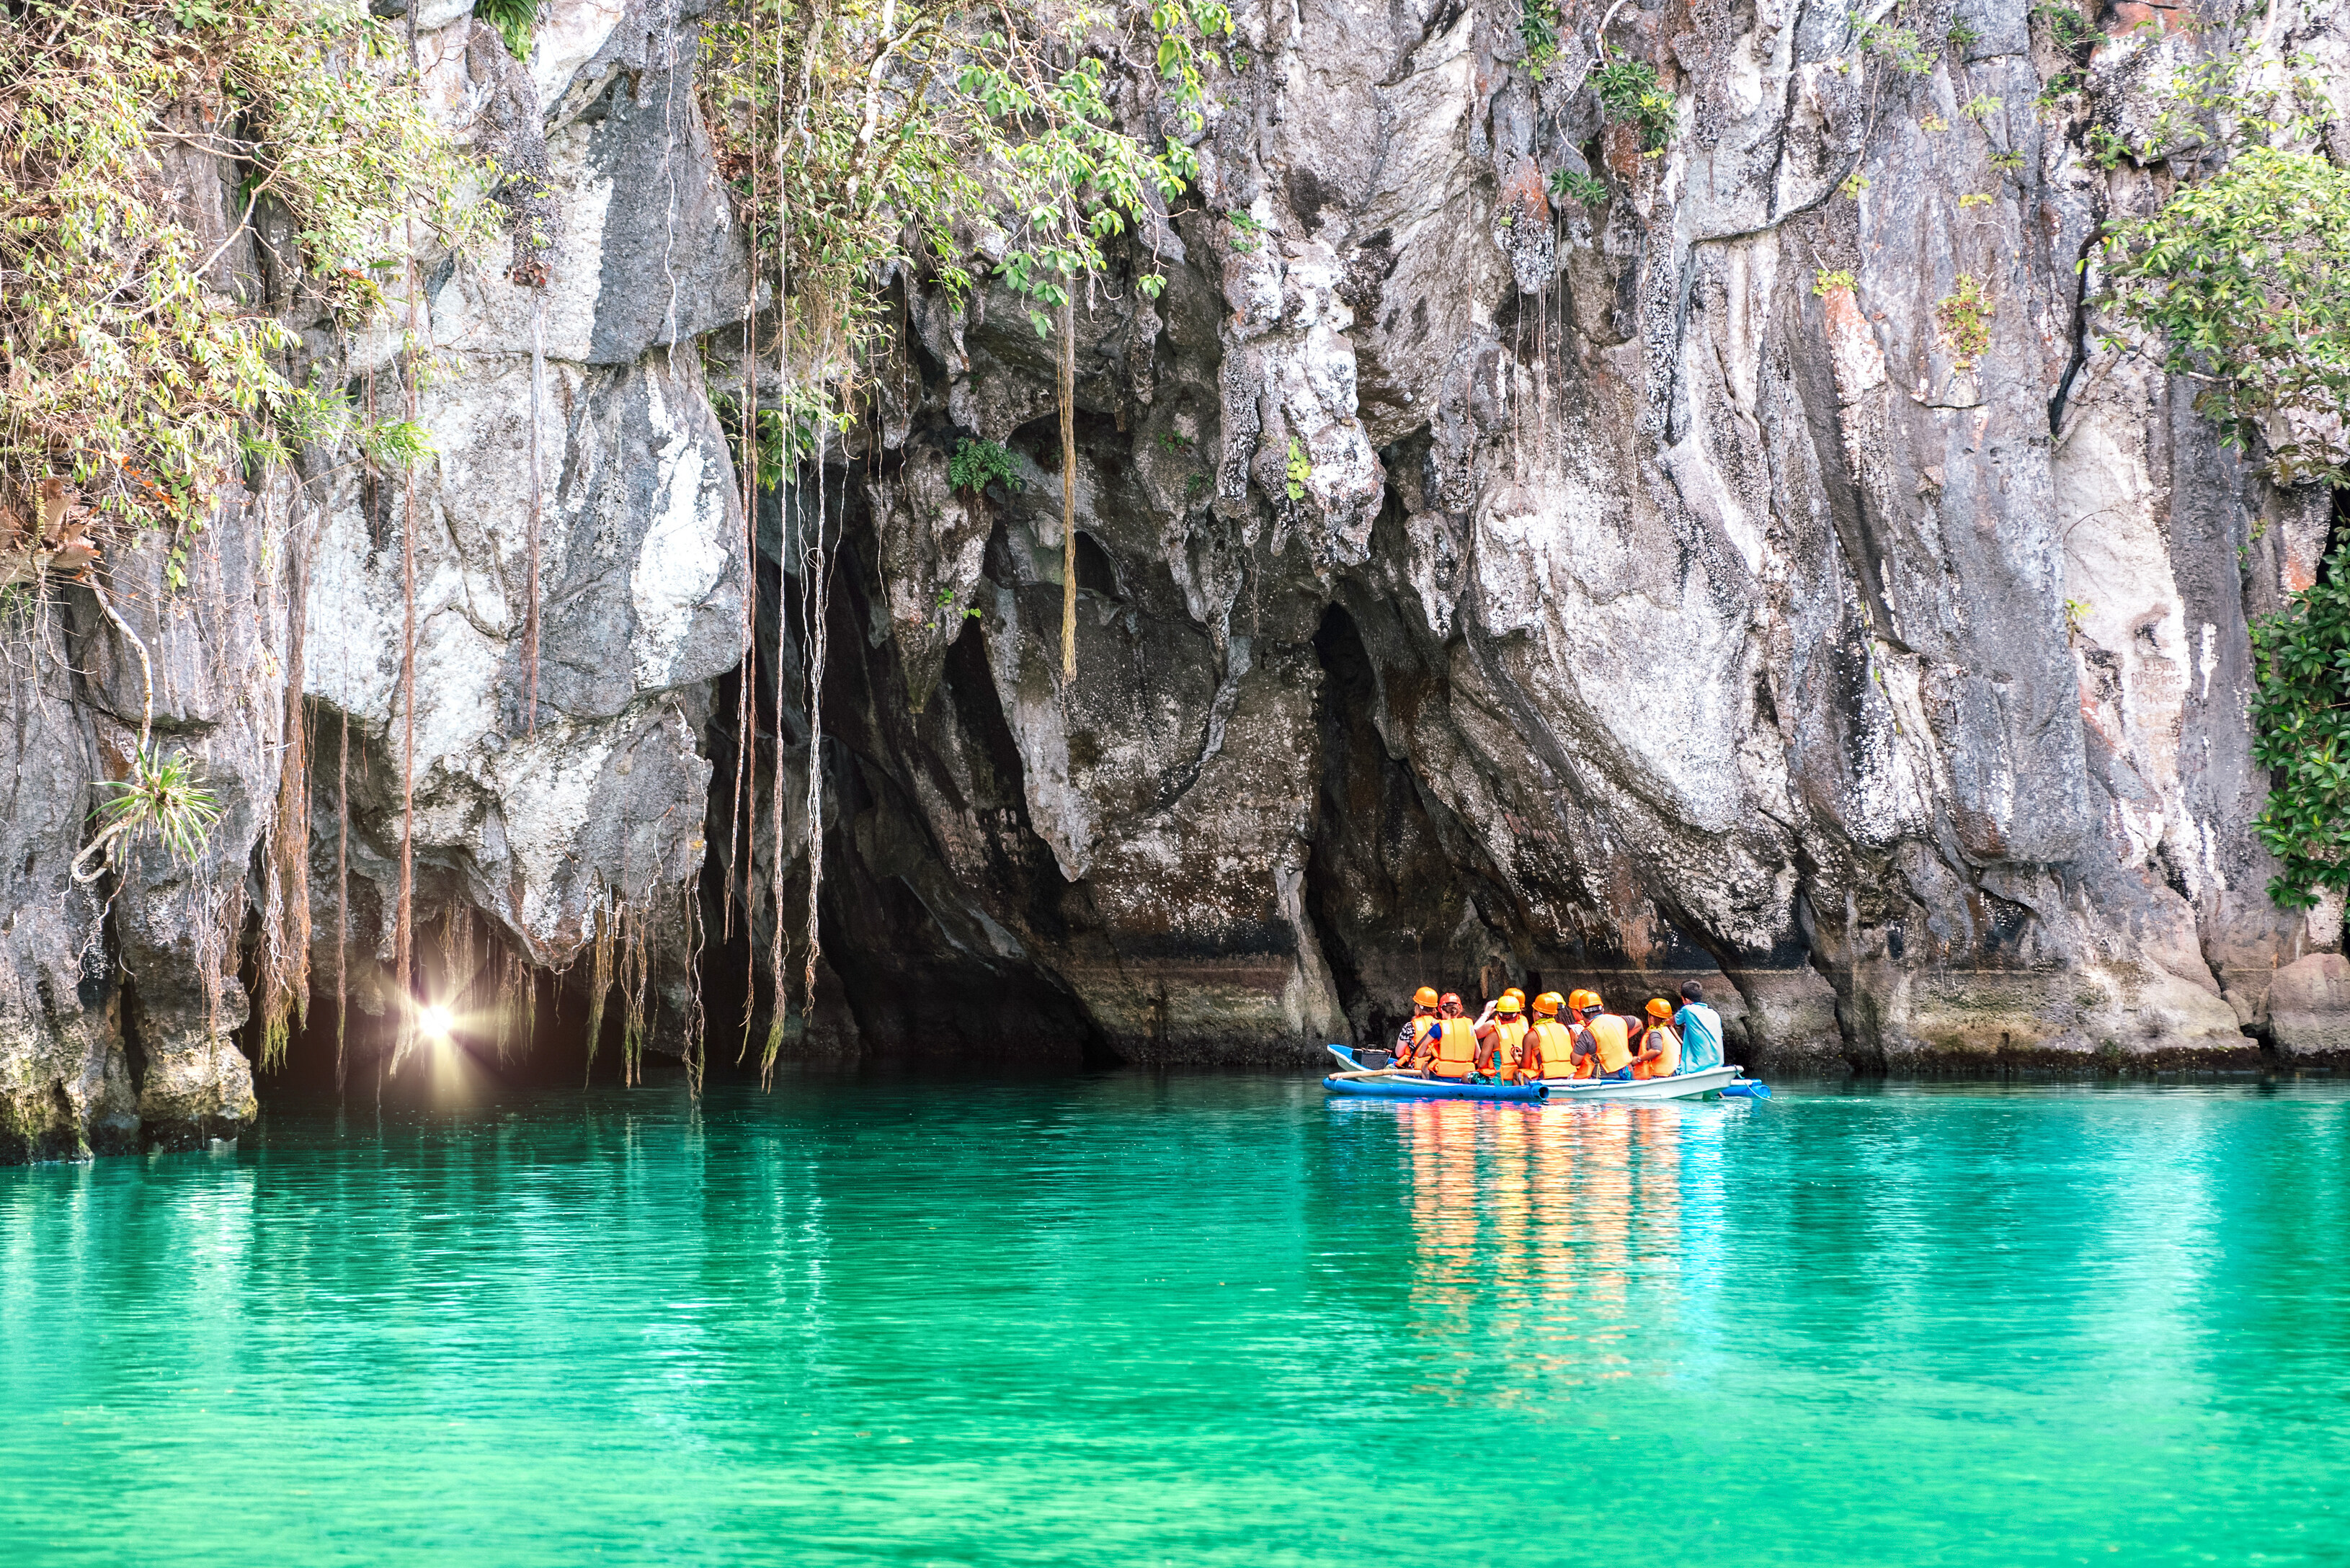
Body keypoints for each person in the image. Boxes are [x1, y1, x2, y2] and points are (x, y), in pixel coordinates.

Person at [1571, 992, 1636, 1082]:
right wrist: (1624, 1037)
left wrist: (1576, 1042)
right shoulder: (1620, 1020)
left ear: (1582, 1014)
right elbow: (1638, 1023)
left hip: (1606, 1076)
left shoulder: (1587, 1033)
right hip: (1628, 1071)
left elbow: (1575, 1061)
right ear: (1602, 1009)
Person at [1416, 992, 1479, 1079]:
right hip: (1465, 1075)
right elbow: (1478, 1055)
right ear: (1460, 1010)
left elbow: (1420, 1054)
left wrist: (1435, 1052)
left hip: (1443, 1075)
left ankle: (1428, 1090)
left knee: (1425, 1066)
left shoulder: (1438, 1027)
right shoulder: (1469, 1027)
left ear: (1441, 1010)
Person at [1521, 992, 1577, 1080]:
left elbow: (1525, 1065)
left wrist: (1516, 1058)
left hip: (1546, 1078)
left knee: (1518, 1073)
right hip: (1569, 1076)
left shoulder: (1531, 1036)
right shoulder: (1565, 1029)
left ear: (1536, 1013)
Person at [1672, 981, 1723, 1072]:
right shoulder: (1714, 1014)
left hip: (1695, 1069)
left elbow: (1672, 1021)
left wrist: (1662, 1022)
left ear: (1685, 1000)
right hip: (1717, 1066)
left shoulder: (1687, 1010)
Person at [1477, 992, 1528, 1082]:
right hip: (1519, 1079)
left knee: (1467, 1076)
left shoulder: (1493, 1035)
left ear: (1498, 1015)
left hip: (1498, 1080)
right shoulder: (1526, 1032)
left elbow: (1481, 1064)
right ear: (1517, 1015)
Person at [1632, 998, 1681, 1078]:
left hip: (1658, 1076)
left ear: (1651, 1018)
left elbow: (1657, 1050)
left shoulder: (1656, 1032)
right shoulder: (1671, 1031)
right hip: (1673, 1074)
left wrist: (1638, 1059)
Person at [1394, 986, 1439, 1062]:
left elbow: (1399, 1053)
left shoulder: (1410, 1027)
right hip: (1435, 1069)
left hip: (1415, 1069)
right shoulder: (1441, 1026)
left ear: (1418, 1006)